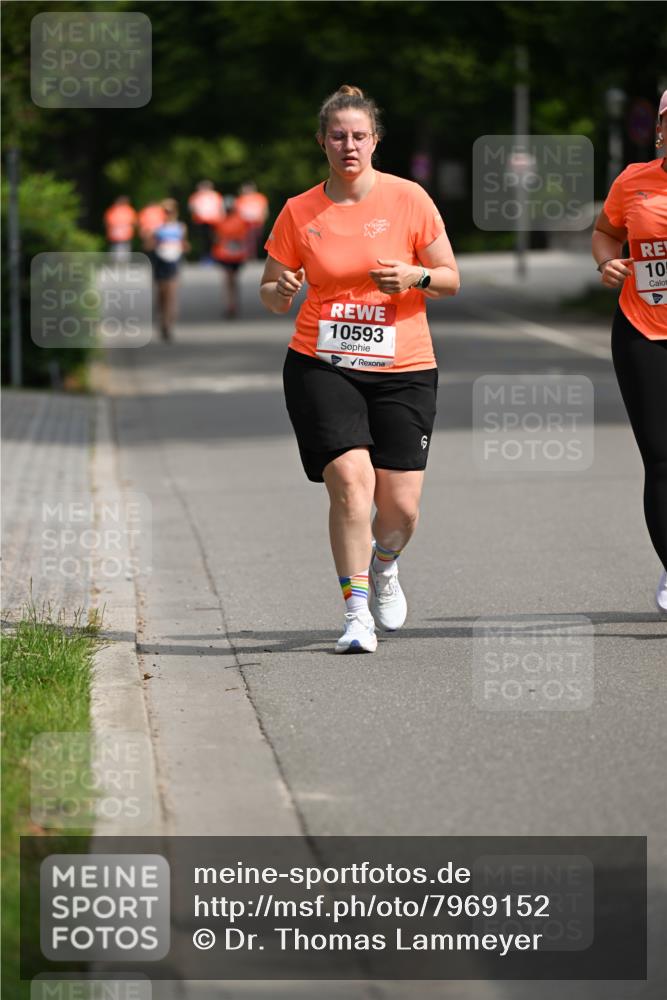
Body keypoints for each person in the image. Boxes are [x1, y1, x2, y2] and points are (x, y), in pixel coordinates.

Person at [259, 85, 459, 653]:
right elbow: (270, 292)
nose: (349, 145)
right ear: (322, 141)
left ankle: (385, 564)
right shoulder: (300, 210)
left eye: (359, 136)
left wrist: (415, 277)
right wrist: (286, 287)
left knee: (400, 508)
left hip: (405, 364)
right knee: (349, 482)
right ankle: (355, 614)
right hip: (322, 362)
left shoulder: (409, 199)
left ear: (375, 141)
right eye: (338, 136)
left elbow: (449, 277)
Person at [592, 89, 667, 614]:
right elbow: (604, 232)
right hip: (644, 331)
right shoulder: (634, 180)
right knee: (662, 460)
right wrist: (607, 263)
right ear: (661, 128)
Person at [146, 198, 190, 342]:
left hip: (174, 263)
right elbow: (148, 245)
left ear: (175, 212)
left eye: (170, 211)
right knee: (161, 293)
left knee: (171, 293)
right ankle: (161, 318)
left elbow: (185, 245)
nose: (168, 214)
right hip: (160, 262)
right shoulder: (158, 228)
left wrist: (181, 247)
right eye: (165, 211)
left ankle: (168, 324)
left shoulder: (181, 227)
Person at [212, 196, 251, 318]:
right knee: (229, 279)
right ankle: (231, 305)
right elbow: (217, 238)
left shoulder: (239, 221)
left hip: (235, 255)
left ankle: (232, 304)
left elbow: (244, 238)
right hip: (226, 255)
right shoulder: (221, 221)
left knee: (231, 280)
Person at [188, 180, 224, 262]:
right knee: (204, 241)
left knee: (214, 240)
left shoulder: (215, 195)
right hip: (202, 221)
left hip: (214, 221)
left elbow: (221, 208)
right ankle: (206, 257)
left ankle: (215, 256)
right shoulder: (197, 196)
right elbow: (192, 208)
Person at [236, 181, 269, 258]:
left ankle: (252, 255)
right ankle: (248, 255)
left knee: (255, 239)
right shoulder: (241, 199)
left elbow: (264, 209)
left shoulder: (260, 197)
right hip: (244, 223)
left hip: (257, 222)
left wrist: (263, 219)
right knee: (247, 240)